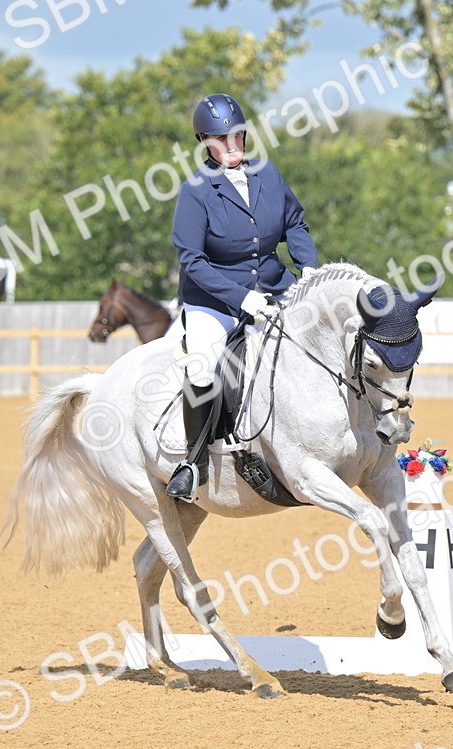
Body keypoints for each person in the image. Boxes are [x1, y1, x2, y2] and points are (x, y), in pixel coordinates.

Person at [165, 92, 319, 502]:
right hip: (213, 298)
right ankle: (193, 462)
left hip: (274, 286)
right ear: (204, 141)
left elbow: (295, 223)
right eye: (222, 139)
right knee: (202, 366)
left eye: (238, 136)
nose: (232, 145)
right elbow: (192, 260)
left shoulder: (267, 174)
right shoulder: (195, 190)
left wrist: (309, 269)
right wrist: (240, 298)